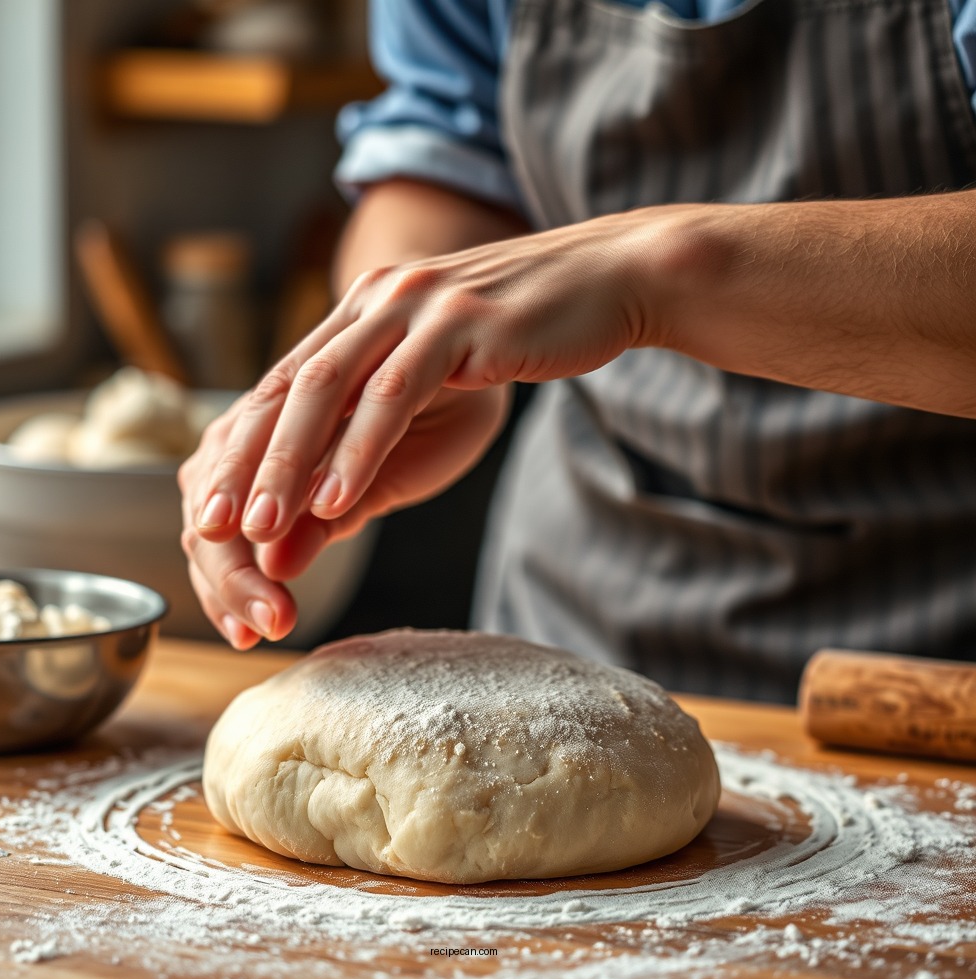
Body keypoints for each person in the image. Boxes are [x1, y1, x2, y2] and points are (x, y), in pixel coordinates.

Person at [179, 0, 976, 702]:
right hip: (581, 613)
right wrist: (405, 358)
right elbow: (450, 150)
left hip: (939, 636)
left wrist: (658, 271)